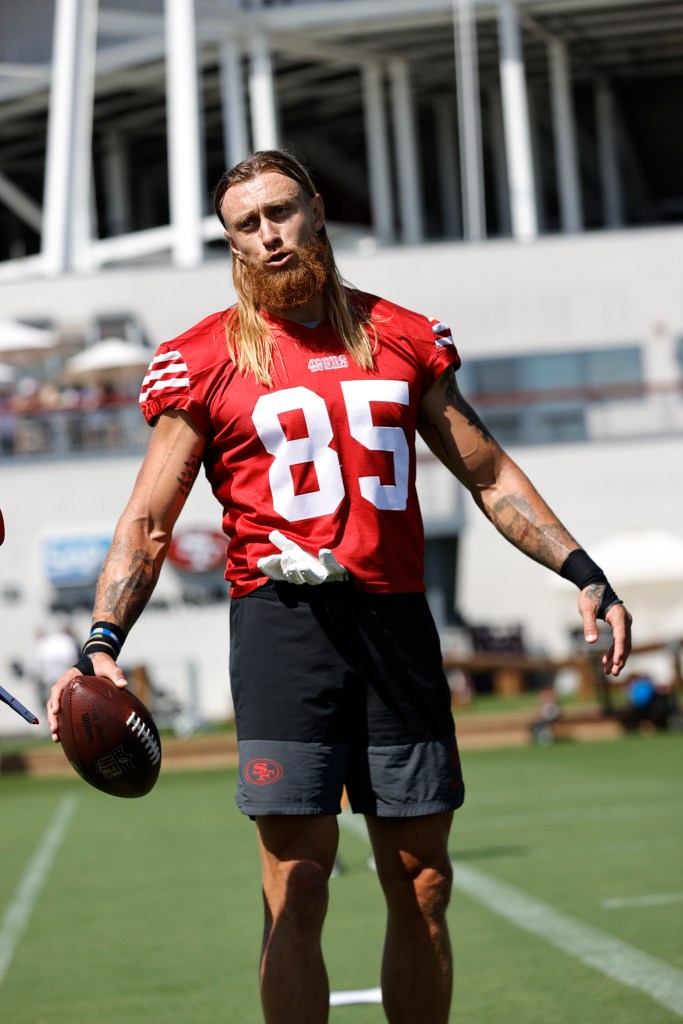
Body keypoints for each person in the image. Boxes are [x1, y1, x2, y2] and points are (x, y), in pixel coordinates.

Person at [48, 149, 632, 1024]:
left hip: (395, 621)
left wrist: (582, 570)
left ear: (316, 210)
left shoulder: (400, 335)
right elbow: (148, 519)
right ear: (230, 243)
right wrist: (101, 642)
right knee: (298, 886)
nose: (269, 235)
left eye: (280, 212)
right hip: (284, 632)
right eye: (246, 225)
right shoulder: (202, 358)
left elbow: (489, 474)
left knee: (423, 882)